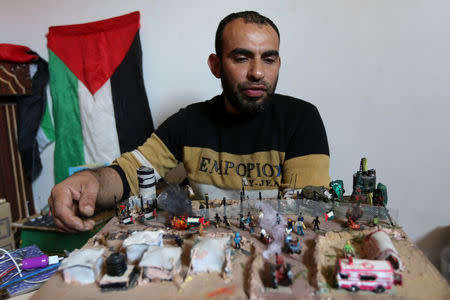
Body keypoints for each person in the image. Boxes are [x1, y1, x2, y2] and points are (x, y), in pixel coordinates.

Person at [48, 11, 330, 233]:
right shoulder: (188, 122)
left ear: (278, 64)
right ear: (216, 65)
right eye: (242, 58)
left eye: (269, 59)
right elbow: (130, 173)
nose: (257, 72)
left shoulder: (302, 120)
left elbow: (305, 215)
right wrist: (91, 181)